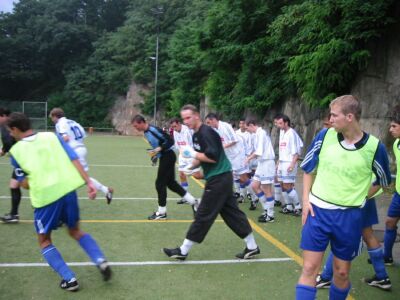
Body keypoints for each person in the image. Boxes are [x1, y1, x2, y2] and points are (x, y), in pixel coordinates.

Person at [296, 95, 391, 300]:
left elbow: (383, 181)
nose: (330, 119)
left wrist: (360, 198)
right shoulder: (324, 135)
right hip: (317, 212)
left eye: (334, 115)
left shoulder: (375, 147)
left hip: (349, 217)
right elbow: (308, 169)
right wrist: (305, 201)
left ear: (349, 117)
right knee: (310, 267)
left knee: (341, 273)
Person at [6, 112, 111, 291]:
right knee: (75, 230)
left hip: (46, 198)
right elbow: (74, 158)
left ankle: (69, 279)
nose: (9, 134)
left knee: (44, 240)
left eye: (10, 131)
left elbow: (24, 184)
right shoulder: (51, 136)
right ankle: (100, 259)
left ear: (15, 129)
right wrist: (88, 183)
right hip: (68, 190)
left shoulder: (16, 151)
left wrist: (32, 179)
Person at [163, 104, 259, 260]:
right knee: (232, 214)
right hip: (221, 177)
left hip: (219, 179)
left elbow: (212, 157)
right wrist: (190, 166)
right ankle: (252, 247)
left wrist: (192, 154)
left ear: (196, 116)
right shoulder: (196, 135)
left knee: (203, 214)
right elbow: (202, 156)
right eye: (183, 118)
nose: (185, 121)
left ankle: (183, 250)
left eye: (188, 117)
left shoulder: (206, 133)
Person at [316, 188, 391, 290]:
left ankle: (325, 277)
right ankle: (382, 276)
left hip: (353, 196)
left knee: (342, 236)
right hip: (367, 193)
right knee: (368, 235)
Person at [131, 115, 198, 220]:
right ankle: (194, 202)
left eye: (136, 126)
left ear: (141, 123)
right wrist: (155, 156)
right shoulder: (146, 133)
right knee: (171, 184)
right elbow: (157, 146)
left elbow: (170, 141)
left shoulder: (153, 130)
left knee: (159, 183)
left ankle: (162, 212)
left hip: (168, 156)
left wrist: (159, 149)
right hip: (164, 157)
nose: (135, 128)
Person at [49, 108, 113, 204]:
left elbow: (65, 138)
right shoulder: (73, 122)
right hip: (81, 149)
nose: (51, 120)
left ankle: (104, 190)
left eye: (51, 117)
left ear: (55, 116)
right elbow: (82, 135)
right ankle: (105, 190)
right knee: (80, 176)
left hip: (74, 152)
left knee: (80, 177)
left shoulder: (60, 123)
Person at [205, 113, 253, 204]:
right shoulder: (215, 129)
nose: (208, 125)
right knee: (228, 176)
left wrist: (222, 147)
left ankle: (255, 196)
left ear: (213, 120)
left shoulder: (225, 126)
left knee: (243, 178)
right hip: (229, 156)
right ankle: (229, 196)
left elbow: (234, 140)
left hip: (237, 155)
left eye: (208, 122)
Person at [245, 119, 276, 222]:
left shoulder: (261, 133)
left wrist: (248, 158)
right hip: (261, 163)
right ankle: (266, 210)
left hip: (267, 163)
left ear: (251, 125)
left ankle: (270, 215)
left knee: (266, 189)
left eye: (247, 128)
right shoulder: (257, 134)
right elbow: (257, 150)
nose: (247, 130)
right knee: (254, 186)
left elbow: (259, 151)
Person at [274, 113, 303, 216]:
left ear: (286, 123)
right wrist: (278, 163)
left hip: (289, 163)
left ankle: (298, 207)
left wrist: (292, 164)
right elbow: (282, 150)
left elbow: (297, 152)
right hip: (282, 162)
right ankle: (289, 206)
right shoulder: (282, 132)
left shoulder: (292, 133)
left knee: (287, 185)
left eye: (280, 123)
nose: (278, 125)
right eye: (278, 123)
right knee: (281, 184)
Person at [382, 105, 400, 265]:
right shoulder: (396, 145)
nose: (390, 129)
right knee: (389, 222)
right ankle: (387, 256)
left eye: (394, 126)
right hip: (398, 194)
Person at [169, 118, 202, 205]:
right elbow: (177, 145)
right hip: (182, 155)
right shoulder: (175, 132)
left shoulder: (187, 131)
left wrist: (194, 156)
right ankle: (186, 197)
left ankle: (212, 177)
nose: (174, 128)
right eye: (172, 127)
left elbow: (193, 145)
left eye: (175, 126)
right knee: (182, 174)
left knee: (197, 176)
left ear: (179, 123)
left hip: (191, 155)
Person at [0, 107, 22, 223]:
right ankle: (14, 215)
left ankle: (59, 214)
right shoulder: (12, 122)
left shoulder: (8, 125)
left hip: (26, 160)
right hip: (22, 159)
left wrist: (5, 151)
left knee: (36, 187)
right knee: (14, 185)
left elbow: (8, 143)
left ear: (3, 116)